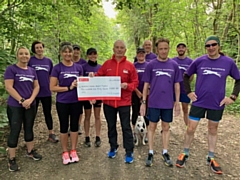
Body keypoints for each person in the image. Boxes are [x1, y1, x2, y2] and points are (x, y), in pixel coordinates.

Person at [175, 35, 240, 174]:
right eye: (208, 45)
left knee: (212, 129)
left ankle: (211, 157)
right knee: (190, 128)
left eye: (213, 45)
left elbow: (238, 79)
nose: (211, 48)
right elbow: (186, 75)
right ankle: (185, 153)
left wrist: (233, 97)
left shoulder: (228, 62)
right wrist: (188, 92)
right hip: (199, 101)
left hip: (217, 103)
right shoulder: (200, 61)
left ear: (218, 46)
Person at [89, 40, 138, 164]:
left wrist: (128, 86)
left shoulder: (130, 66)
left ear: (125, 50)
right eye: (117, 47)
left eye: (122, 48)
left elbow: (135, 82)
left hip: (124, 102)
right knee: (111, 126)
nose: (119, 49)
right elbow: (98, 77)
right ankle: (113, 147)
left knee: (126, 127)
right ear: (113, 49)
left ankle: (129, 151)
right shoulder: (106, 64)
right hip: (109, 103)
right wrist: (92, 76)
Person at [140, 38, 181, 167]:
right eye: (161, 49)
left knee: (166, 127)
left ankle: (165, 151)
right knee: (151, 127)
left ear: (169, 49)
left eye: (165, 48)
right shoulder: (151, 65)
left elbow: (177, 85)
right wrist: (143, 102)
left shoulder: (174, 65)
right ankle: (151, 152)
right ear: (157, 50)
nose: (163, 51)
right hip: (153, 102)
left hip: (168, 103)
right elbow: (146, 85)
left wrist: (177, 102)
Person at [4, 47, 42, 172]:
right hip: (15, 105)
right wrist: (21, 101)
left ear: (29, 56)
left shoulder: (32, 70)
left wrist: (30, 100)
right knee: (15, 130)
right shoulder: (11, 69)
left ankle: (30, 151)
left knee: (29, 127)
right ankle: (12, 158)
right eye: (21, 54)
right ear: (17, 56)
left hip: (30, 104)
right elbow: (9, 87)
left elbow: (36, 86)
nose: (24, 56)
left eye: (26, 54)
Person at [50, 43, 83, 165]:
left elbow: (83, 84)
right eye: (65, 52)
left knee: (74, 126)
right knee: (64, 127)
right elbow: (52, 87)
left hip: (76, 101)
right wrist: (68, 88)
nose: (68, 54)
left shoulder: (78, 68)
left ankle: (73, 150)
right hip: (63, 102)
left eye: (70, 52)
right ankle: (65, 152)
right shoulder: (57, 68)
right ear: (61, 53)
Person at [28, 40, 58, 143]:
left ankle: (51, 133)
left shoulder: (48, 61)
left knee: (47, 113)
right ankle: (29, 135)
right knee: (32, 114)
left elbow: (51, 76)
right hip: (33, 93)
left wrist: (53, 87)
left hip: (46, 91)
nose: (39, 49)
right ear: (34, 50)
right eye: (37, 48)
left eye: (41, 47)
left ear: (43, 48)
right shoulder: (30, 61)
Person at [82, 48, 102, 147]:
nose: (93, 56)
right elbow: (81, 82)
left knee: (98, 116)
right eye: (90, 54)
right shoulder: (83, 67)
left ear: (97, 55)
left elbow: (104, 82)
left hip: (98, 95)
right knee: (87, 116)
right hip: (86, 96)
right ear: (87, 56)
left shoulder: (100, 67)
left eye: (94, 54)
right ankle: (87, 137)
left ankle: (98, 137)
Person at [172, 43, 193, 126]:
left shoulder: (190, 62)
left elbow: (191, 76)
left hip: (184, 89)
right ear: (176, 49)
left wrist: (187, 83)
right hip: (173, 89)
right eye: (179, 48)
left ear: (185, 49)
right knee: (169, 108)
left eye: (183, 48)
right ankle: (166, 126)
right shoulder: (173, 61)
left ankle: (188, 127)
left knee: (185, 109)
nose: (181, 49)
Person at [132, 48, 149, 142]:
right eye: (139, 53)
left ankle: (146, 134)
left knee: (146, 113)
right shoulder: (133, 66)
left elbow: (151, 79)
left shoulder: (149, 65)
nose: (141, 55)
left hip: (147, 93)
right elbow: (130, 80)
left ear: (145, 54)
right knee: (135, 113)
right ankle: (134, 133)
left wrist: (146, 92)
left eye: (143, 53)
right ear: (137, 54)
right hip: (135, 93)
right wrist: (137, 92)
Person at [72, 44, 86, 135]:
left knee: (79, 109)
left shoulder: (84, 62)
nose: (76, 52)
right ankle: (71, 125)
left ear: (80, 51)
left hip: (81, 89)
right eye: (74, 50)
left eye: (78, 50)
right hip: (70, 89)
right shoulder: (68, 61)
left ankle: (78, 125)